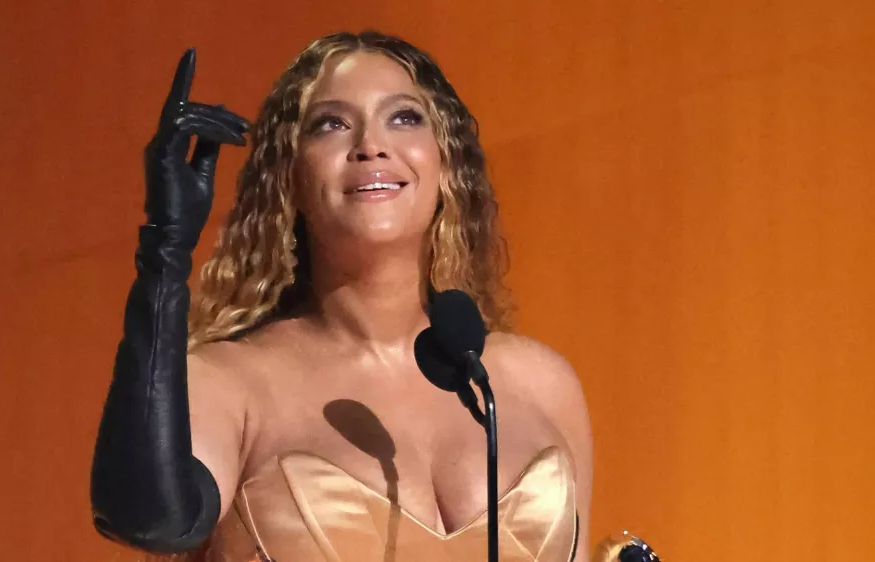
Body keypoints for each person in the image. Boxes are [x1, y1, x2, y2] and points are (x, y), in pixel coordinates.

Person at [91, 31, 595, 562]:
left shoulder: (541, 385)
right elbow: (150, 518)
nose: (371, 144)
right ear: (289, 179)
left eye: (404, 117)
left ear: (446, 163)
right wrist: (165, 251)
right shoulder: (231, 385)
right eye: (331, 124)